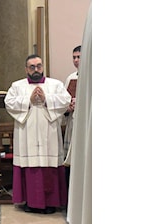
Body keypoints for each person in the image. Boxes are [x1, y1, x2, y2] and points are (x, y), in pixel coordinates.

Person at [4, 54, 71, 214]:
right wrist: (29, 99)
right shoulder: (17, 86)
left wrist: (46, 98)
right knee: (30, 168)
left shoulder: (55, 84)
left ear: (43, 67)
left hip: (49, 133)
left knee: (50, 166)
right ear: (26, 69)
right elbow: (9, 102)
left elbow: (65, 100)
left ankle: (51, 202)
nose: (36, 70)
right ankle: (31, 202)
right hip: (27, 133)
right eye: (32, 67)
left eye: (39, 66)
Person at [63, 45, 81, 190]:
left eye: (79, 57)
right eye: (74, 57)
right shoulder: (71, 78)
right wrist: (67, 107)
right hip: (73, 122)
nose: (76, 60)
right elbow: (63, 100)